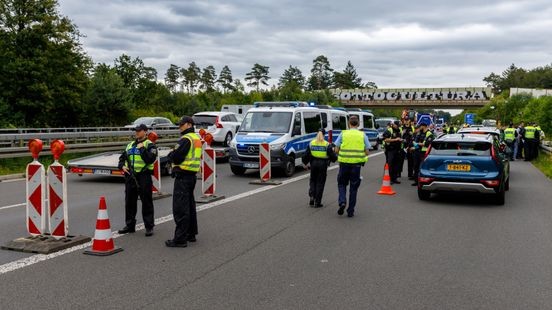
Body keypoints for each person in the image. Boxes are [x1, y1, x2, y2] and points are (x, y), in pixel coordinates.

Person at [165, 116, 202, 248]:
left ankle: (180, 239)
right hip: (191, 176)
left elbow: (177, 156)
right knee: (190, 206)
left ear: (188, 124)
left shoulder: (186, 139)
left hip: (183, 176)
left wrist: (171, 155)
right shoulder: (196, 138)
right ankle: (190, 234)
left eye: (181, 125)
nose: (179, 127)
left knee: (181, 208)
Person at [117, 124, 158, 237]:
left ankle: (149, 227)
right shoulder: (130, 145)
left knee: (146, 202)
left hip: (144, 176)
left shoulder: (150, 145)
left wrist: (141, 148)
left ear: (145, 132)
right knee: (129, 202)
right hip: (130, 176)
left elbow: (150, 159)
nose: (137, 133)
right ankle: (130, 226)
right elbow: (122, 158)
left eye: (139, 131)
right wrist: (121, 166)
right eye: (136, 131)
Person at [334, 116, 371, 217]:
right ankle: (350, 211)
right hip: (356, 166)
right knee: (353, 188)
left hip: (344, 164)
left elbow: (336, 150)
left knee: (341, 184)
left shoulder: (343, 133)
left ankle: (342, 202)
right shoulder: (362, 135)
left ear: (349, 124)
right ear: (358, 124)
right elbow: (367, 152)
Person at [302, 128, 337, 208]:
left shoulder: (312, 143)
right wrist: (334, 158)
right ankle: (317, 202)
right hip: (323, 165)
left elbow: (306, 154)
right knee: (320, 182)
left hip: (313, 164)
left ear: (316, 134)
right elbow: (333, 156)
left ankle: (312, 196)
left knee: (313, 180)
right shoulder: (326, 144)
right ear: (324, 135)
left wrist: (305, 163)